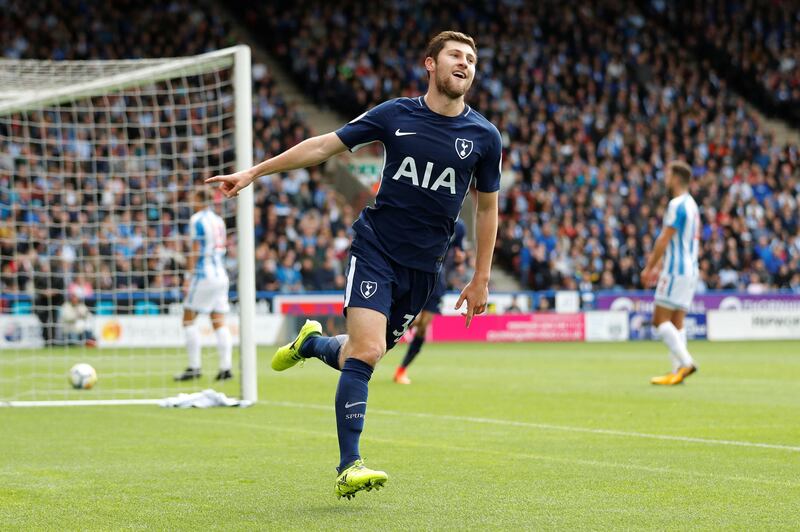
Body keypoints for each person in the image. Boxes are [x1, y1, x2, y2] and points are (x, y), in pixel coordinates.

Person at [207, 31, 501, 499]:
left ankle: (312, 344)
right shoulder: (395, 115)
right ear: (431, 63)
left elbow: (487, 208)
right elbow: (324, 146)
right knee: (365, 351)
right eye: (455, 56)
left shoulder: (484, 136)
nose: (464, 63)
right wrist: (254, 172)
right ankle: (350, 465)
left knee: (361, 354)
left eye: (471, 58)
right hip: (376, 249)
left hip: (424, 269)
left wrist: (481, 277)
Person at [641, 161, 700, 385]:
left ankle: (685, 363)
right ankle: (678, 372)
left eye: (668, 175)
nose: (666, 180)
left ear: (676, 178)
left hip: (676, 270)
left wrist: (650, 267)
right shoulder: (693, 205)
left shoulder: (676, 204)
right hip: (691, 269)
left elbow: (664, 238)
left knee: (659, 320)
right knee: (677, 322)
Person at [394, 218, 466, 385]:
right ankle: (383, 336)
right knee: (413, 319)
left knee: (423, 326)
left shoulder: (460, 227)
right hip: (418, 274)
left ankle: (401, 371)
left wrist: (460, 259)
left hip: (439, 280)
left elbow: (459, 251)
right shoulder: (428, 216)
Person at [174, 189, 233, 382]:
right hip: (221, 275)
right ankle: (226, 368)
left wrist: (188, 276)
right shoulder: (219, 221)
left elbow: (195, 249)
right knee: (219, 321)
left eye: (193, 197)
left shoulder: (197, 219)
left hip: (203, 274)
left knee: (188, 318)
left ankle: (194, 367)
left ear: (199, 199)